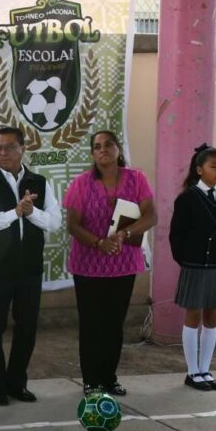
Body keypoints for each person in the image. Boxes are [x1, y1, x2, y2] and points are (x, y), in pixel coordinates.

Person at [0, 126, 61, 406]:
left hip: (29, 270)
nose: (2, 153)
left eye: (9, 147)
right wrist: (14, 213)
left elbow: (54, 223)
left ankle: (17, 383)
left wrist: (31, 213)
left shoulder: (39, 182)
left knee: (27, 329)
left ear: (23, 148)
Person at [64, 130, 157, 396]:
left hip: (123, 264)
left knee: (115, 324)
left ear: (118, 149)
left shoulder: (136, 179)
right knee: (91, 324)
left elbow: (151, 216)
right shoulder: (81, 183)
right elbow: (73, 225)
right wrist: (99, 243)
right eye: (97, 147)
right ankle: (91, 381)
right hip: (88, 265)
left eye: (108, 144)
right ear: (92, 154)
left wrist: (124, 234)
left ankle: (109, 378)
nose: (102, 150)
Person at [170, 144, 216, 391]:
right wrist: (187, 261)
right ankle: (192, 371)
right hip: (195, 265)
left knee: (211, 315)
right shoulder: (187, 198)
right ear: (199, 169)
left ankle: (205, 369)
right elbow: (176, 236)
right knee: (193, 314)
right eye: (214, 166)